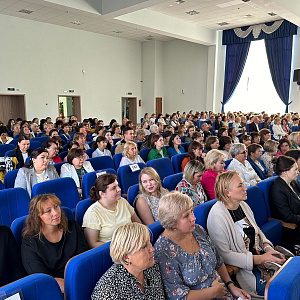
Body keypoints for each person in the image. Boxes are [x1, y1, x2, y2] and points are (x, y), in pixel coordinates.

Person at [154, 191, 250, 300]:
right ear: (172, 222)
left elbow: (218, 261)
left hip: (223, 293)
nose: (193, 218)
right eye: (186, 216)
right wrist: (212, 293)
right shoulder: (163, 250)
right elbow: (177, 295)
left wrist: (231, 286)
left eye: (191, 212)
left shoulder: (197, 230)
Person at [207, 171, 285, 299]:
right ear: (227, 192)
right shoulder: (217, 216)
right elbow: (224, 255)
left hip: (263, 259)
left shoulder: (242, 205)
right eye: (240, 185)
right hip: (249, 273)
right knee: (282, 290)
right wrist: (260, 259)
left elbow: (257, 231)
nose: (245, 188)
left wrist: (268, 248)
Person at [21, 194, 89, 293]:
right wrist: (76, 287)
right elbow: (44, 279)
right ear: (38, 216)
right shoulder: (30, 243)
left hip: (80, 279)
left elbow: (83, 259)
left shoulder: (72, 227)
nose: (56, 213)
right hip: (55, 289)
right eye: (48, 211)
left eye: (56, 207)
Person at [91, 222, 165, 299]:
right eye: (144, 246)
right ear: (126, 257)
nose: (152, 249)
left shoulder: (151, 265)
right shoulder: (108, 292)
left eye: (149, 242)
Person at [82, 174, 141, 248]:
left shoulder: (122, 201)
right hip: (111, 251)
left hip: (132, 244)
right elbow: (93, 244)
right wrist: (119, 246)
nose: (119, 189)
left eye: (117, 186)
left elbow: (138, 223)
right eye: (113, 188)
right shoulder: (92, 213)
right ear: (102, 194)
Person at [270, 155, 300, 249]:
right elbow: (287, 217)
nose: (298, 172)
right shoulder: (278, 190)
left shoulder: (292, 183)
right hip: (292, 228)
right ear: (285, 172)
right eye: (295, 169)